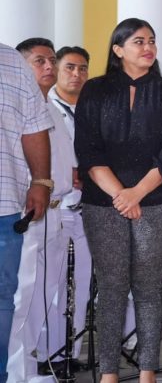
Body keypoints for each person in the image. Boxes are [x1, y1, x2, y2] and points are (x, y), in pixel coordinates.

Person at [74, 18, 162, 383]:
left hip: (157, 201)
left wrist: (136, 193)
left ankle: (147, 372)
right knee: (111, 287)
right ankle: (108, 373)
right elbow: (87, 150)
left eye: (152, 40)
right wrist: (120, 195)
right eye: (139, 41)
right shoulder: (95, 90)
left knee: (148, 287)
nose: (148, 47)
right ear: (118, 49)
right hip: (103, 202)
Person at [6, 39, 74, 383]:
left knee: (43, 298)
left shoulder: (54, 110)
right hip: (27, 213)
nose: (49, 66)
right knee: (20, 297)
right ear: (21, 67)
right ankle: (14, 371)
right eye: (39, 61)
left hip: (57, 213)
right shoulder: (18, 106)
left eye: (51, 60)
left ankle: (30, 367)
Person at [0, 43, 53, 383]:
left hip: (5, 206)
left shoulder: (11, 61)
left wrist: (42, 181)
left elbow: (33, 126)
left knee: (3, 297)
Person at [41, 45, 93, 370]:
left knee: (82, 286)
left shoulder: (92, 108)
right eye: (70, 67)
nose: (77, 74)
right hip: (55, 208)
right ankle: (48, 355)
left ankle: (71, 354)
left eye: (83, 68)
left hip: (88, 209)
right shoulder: (44, 107)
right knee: (52, 287)